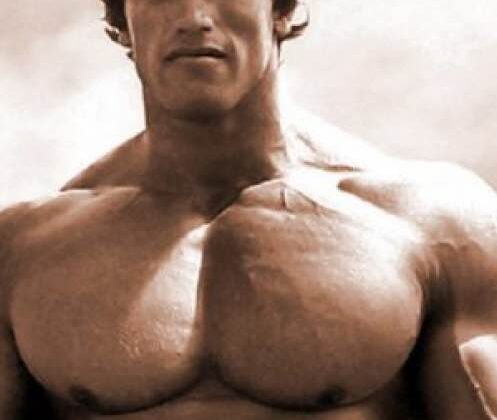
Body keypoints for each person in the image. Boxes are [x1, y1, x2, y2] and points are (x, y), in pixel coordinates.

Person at [1, 0, 497, 418]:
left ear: (280, 10)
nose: (194, 17)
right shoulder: (22, 251)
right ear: (122, 20)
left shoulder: (431, 223)